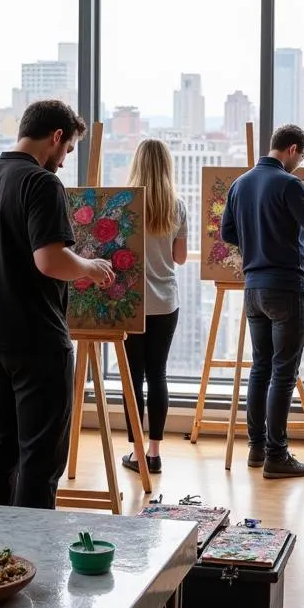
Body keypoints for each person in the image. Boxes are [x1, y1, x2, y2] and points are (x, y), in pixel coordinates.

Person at [0, 99, 115, 509]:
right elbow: (50, 261)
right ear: (56, 137)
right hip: (34, 336)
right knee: (40, 456)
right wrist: (90, 266)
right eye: (66, 151)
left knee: (0, 450)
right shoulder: (42, 183)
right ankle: (32, 555)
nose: (64, 162)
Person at [220, 124, 304, 479]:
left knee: (260, 369)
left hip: (253, 290)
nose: (300, 163)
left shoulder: (240, 184)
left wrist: (256, 238)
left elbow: (228, 232)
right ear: (291, 149)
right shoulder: (290, 184)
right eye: (301, 156)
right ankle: (278, 455)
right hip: (287, 289)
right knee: (283, 373)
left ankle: (256, 448)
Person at [120, 139, 187, 474]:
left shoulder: (124, 204)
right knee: (157, 374)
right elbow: (180, 258)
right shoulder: (177, 206)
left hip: (131, 304)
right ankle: (155, 452)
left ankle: (135, 453)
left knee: (133, 379)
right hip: (166, 302)